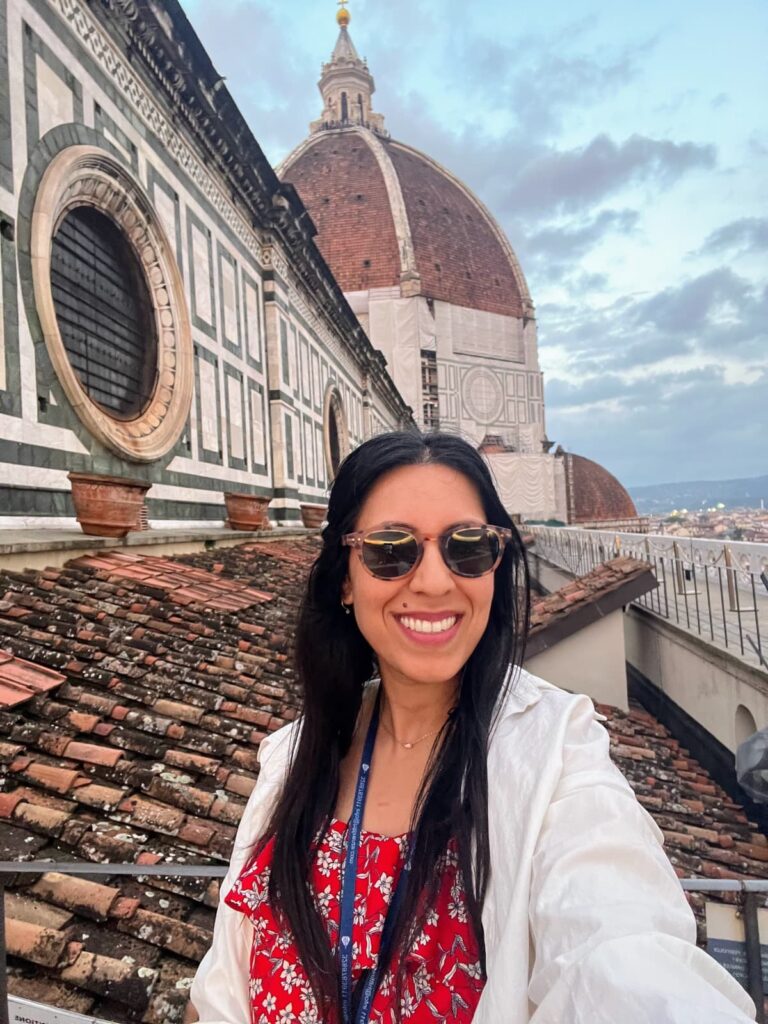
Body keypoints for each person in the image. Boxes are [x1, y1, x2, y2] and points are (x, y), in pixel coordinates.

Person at [189, 431, 755, 1023]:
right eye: (390, 549)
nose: (435, 583)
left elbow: (621, 951)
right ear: (344, 580)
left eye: (468, 547)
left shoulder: (559, 756)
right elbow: (222, 989)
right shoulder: (290, 761)